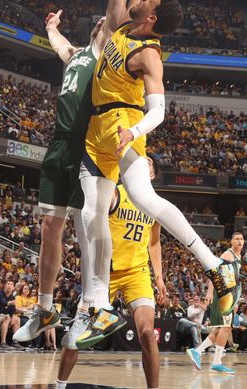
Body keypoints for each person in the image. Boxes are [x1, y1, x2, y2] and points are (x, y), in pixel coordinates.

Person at [75, 0, 229, 347]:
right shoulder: (126, 21)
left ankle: (215, 264)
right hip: (96, 129)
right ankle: (98, 305)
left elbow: (159, 109)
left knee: (143, 200)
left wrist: (133, 132)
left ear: (153, 17)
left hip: (123, 125)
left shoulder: (150, 53)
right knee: (91, 214)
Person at [12, 8, 112, 344]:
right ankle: (44, 310)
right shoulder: (77, 56)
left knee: (86, 230)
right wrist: (52, 27)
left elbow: (116, 9)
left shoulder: (106, 60)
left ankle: (88, 310)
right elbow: (61, 46)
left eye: (106, 21)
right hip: (58, 145)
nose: (100, 20)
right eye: (99, 20)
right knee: (49, 227)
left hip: (86, 147)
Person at [56, 156, 164, 389]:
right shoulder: (117, 193)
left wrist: (159, 277)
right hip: (106, 272)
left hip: (137, 272)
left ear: (152, 175)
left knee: (147, 332)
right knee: (77, 332)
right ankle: (59, 385)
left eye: (146, 164)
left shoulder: (155, 204)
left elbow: (154, 244)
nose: (139, 165)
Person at [186, 232, 245, 374]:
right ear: (231, 241)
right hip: (222, 296)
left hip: (230, 296)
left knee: (222, 329)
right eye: (236, 239)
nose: (239, 241)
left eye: (241, 239)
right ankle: (216, 361)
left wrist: (236, 298)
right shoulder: (228, 255)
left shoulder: (239, 256)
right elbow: (214, 273)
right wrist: (210, 292)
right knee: (226, 327)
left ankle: (197, 351)